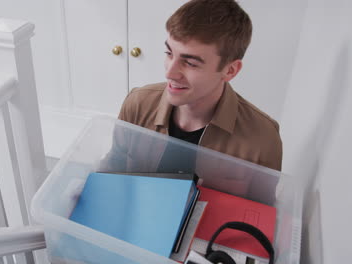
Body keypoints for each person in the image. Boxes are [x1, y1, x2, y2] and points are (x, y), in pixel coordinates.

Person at [118, 0, 282, 171]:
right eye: (169, 53)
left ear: (230, 70)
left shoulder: (263, 137)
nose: (169, 73)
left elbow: (261, 199)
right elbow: (111, 173)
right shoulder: (137, 104)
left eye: (190, 63)